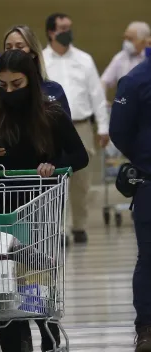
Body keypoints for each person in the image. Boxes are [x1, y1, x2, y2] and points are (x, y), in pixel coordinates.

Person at [0, 49, 88, 352]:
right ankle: (15, 345)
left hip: (36, 211)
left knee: (34, 286)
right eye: (3, 85)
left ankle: (49, 335)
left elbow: (79, 155)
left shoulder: (51, 113)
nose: (9, 92)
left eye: (17, 85)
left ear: (31, 82)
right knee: (2, 289)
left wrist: (54, 166)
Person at [43, 13, 109, 244]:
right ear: (51, 32)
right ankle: (58, 229)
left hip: (81, 125)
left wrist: (103, 126)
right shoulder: (41, 60)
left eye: (69, 27)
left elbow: (97, 95)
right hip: (50, 127)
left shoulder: (84, 59)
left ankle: (79, 226)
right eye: (62, 28)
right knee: (54, 179)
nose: (67, 31)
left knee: (82, 181)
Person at [109, 57, 151, 352]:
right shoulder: (136, 80)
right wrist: (144, 158)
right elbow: (119, 131)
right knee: (149, 258)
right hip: (149, 182)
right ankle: (146, 328)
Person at [0, 25, 71, 118]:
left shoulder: (54, 90)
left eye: (19, 47)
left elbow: (66, 130)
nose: (13, 51)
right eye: (8, 48)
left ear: (33, 52)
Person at [102, 21, 150, 94]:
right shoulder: (120, 57)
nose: (126, 42)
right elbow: (104, 81)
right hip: (125, 102)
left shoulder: (148, 58)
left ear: (143, 41)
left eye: (130, 39)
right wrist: (101, 101)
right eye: (125, 38)